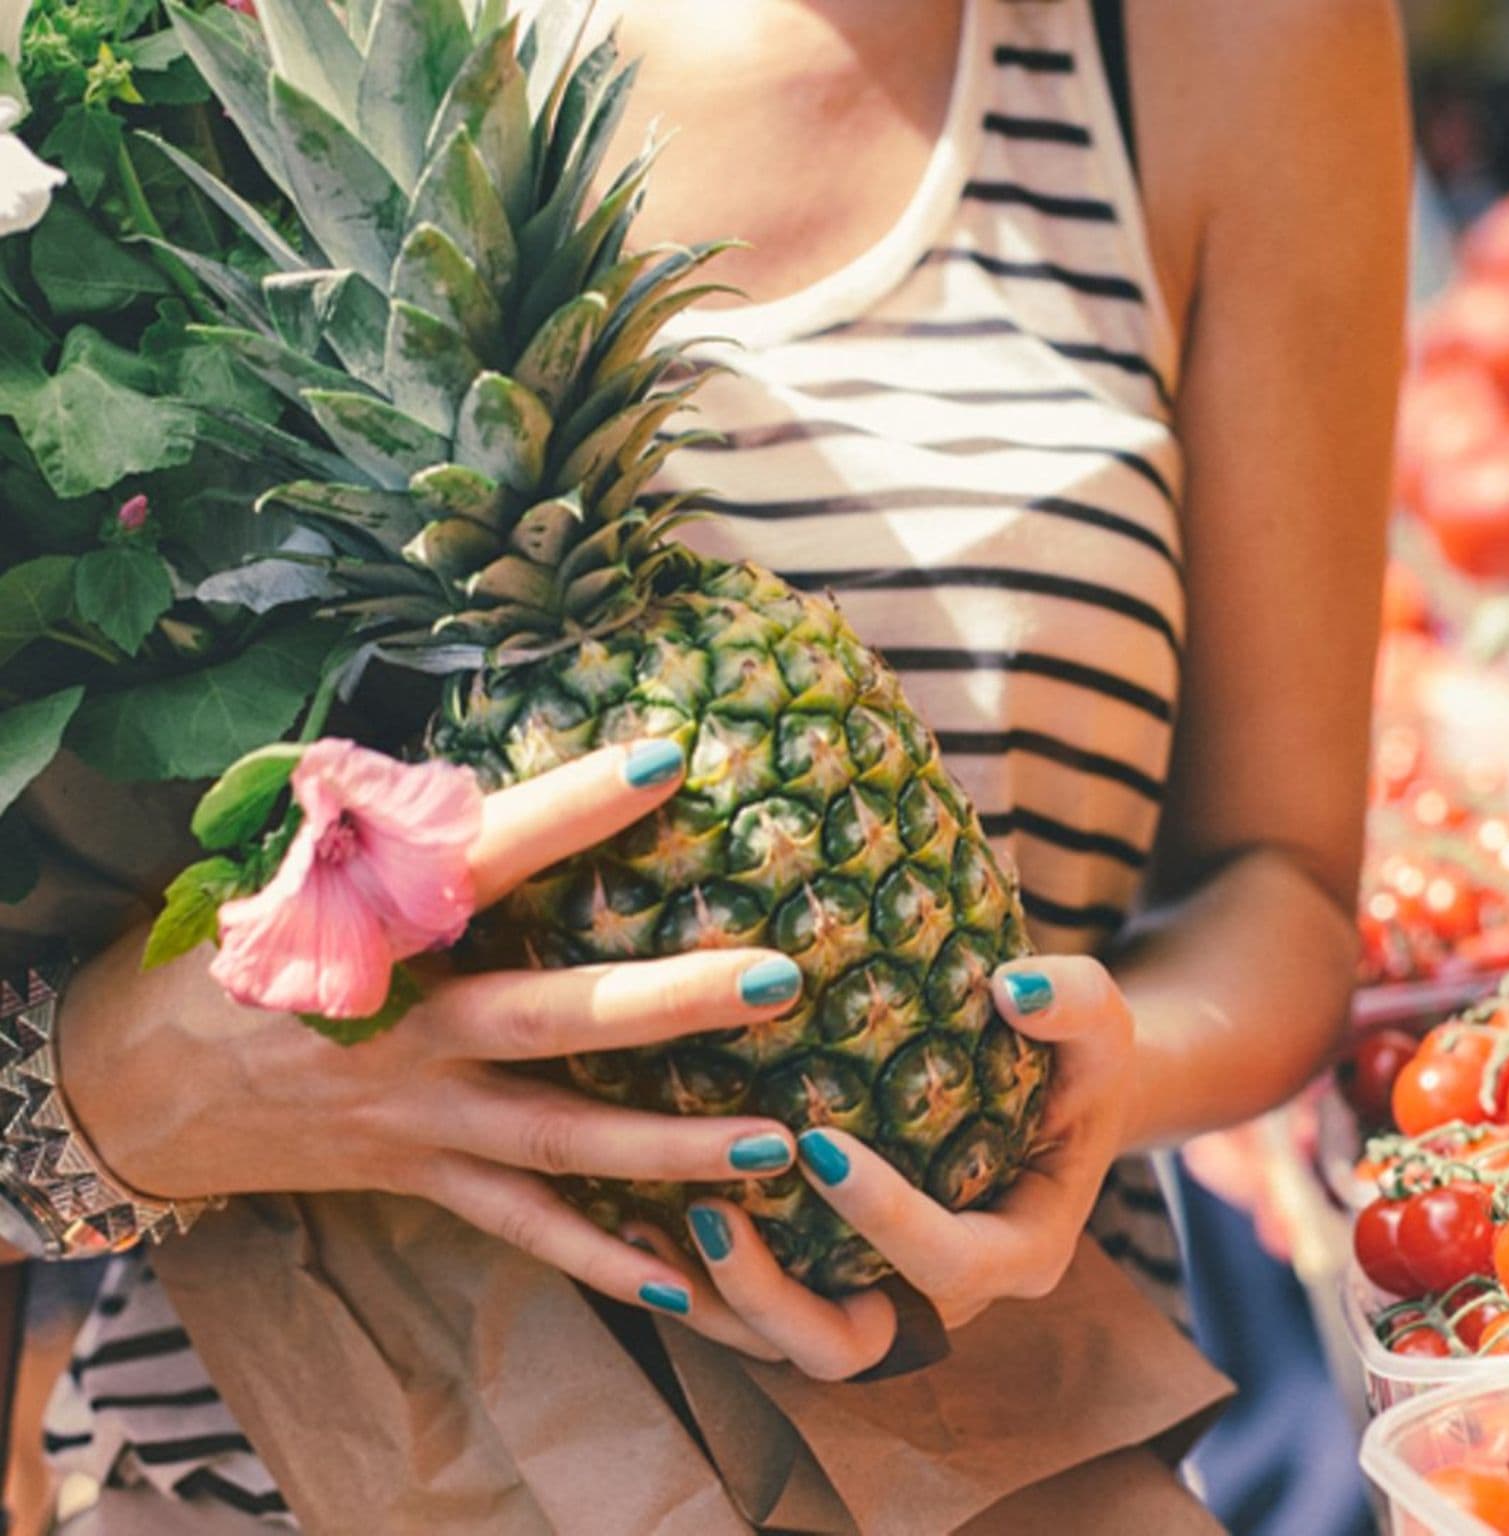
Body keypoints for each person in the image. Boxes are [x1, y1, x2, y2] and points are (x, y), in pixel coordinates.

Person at [5, 0, 1405, 1524]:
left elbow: (1278, 877)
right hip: (264, 1467)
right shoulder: (167, 54)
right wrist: (127, 1081)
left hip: (992, 1450)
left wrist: (1076, 1089)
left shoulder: (1217, 44)